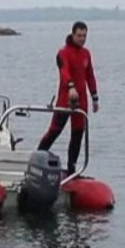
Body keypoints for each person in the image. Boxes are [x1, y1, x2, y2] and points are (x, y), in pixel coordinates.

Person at [37, 20, 99, 176]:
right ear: (73, 34)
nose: (82, 39)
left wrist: (95, 96)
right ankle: (37, 158)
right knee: (54, 131)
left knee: (78, 134)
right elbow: (64, 72)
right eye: (79, 35)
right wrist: (71, 86)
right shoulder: (63, 53)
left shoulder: (86, 54)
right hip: (65, 99)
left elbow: (90, 75)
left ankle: (72, 168)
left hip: (81, 101)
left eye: (85, 36)